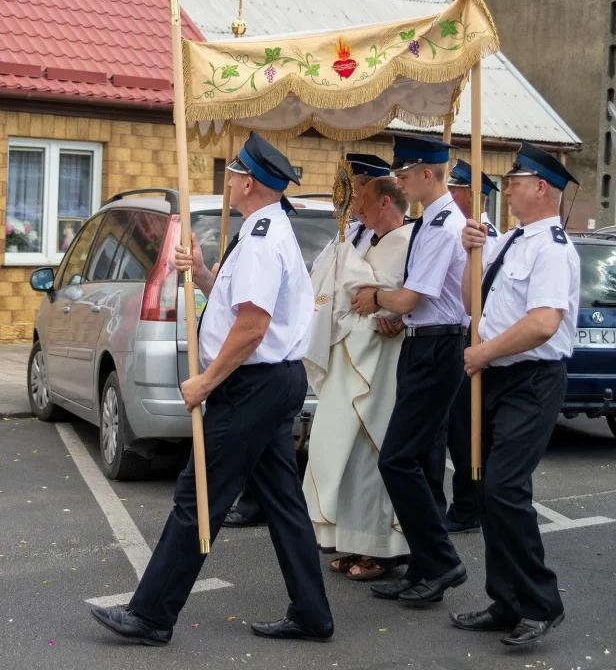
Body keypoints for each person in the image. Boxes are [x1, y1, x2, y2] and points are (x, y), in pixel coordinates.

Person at [90, 132, 334, 645]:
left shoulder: (264, 240)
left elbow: (251, 326)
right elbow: (232, 306)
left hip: (254, 385)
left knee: (198, 494)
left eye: (233, 172)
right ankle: (312, 613)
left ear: (248, 182)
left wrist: (204, 380)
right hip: (269, 383)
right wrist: (200, 273)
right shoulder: (261, 230)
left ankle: (151, 616)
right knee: (283, 500)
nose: (227, 178)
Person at [450, 142, 578, 646]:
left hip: (530, 378)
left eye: (516, 181)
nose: (508, 188)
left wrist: (484, 353)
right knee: (485, 491)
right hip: (494, 375)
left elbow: (544, 323)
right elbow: (470, 303)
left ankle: (541, 603)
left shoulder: (553, 248)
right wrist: (469, 254)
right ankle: (505, 601)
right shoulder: (508, 242)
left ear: (541, 187)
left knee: (506, 489)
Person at [225, 152, 393, 529]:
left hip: (364, 352)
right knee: (319, 451)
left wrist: (389, 310)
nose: (350, 200)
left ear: (378, 191)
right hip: (332, 346)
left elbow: (391, 289)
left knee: (359, 450)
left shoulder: (392, 236)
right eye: (348, 190)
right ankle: (320, 529)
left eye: (358, 189)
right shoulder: (347, 233)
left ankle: (362, 536)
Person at [351, 132, 468, 604]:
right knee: (416, 459)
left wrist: (378, 300)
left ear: (426, 173)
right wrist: (397, 313)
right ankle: (425, 569)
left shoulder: (442, 227)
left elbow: (410, 295)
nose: (398, 183)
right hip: (423, 342)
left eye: (403, 174)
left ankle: (442, 562)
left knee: (396, 459)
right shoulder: (429, 222)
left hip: (438, 348)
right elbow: (417, 301)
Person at [303, 176, 414, 581]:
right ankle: (353, 541)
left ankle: (383, 550)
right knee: (345, 452)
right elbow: (348, 288)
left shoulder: (410, 239)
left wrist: (397, 313)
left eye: (364, 202)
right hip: (350, 353)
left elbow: (415, 294)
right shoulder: (364, 238)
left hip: (382, 361)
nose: (358, 211)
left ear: (386, 201)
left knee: (374, 449)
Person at [434, 159, 501, 534]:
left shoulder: (487, 238)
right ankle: (468, 501)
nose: (450, 193)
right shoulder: (466, 232)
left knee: (468, 428)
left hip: (478, 339)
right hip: (466, 338)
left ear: (475, 197)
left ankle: (468, 505)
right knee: (460, 426)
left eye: (456, 188)